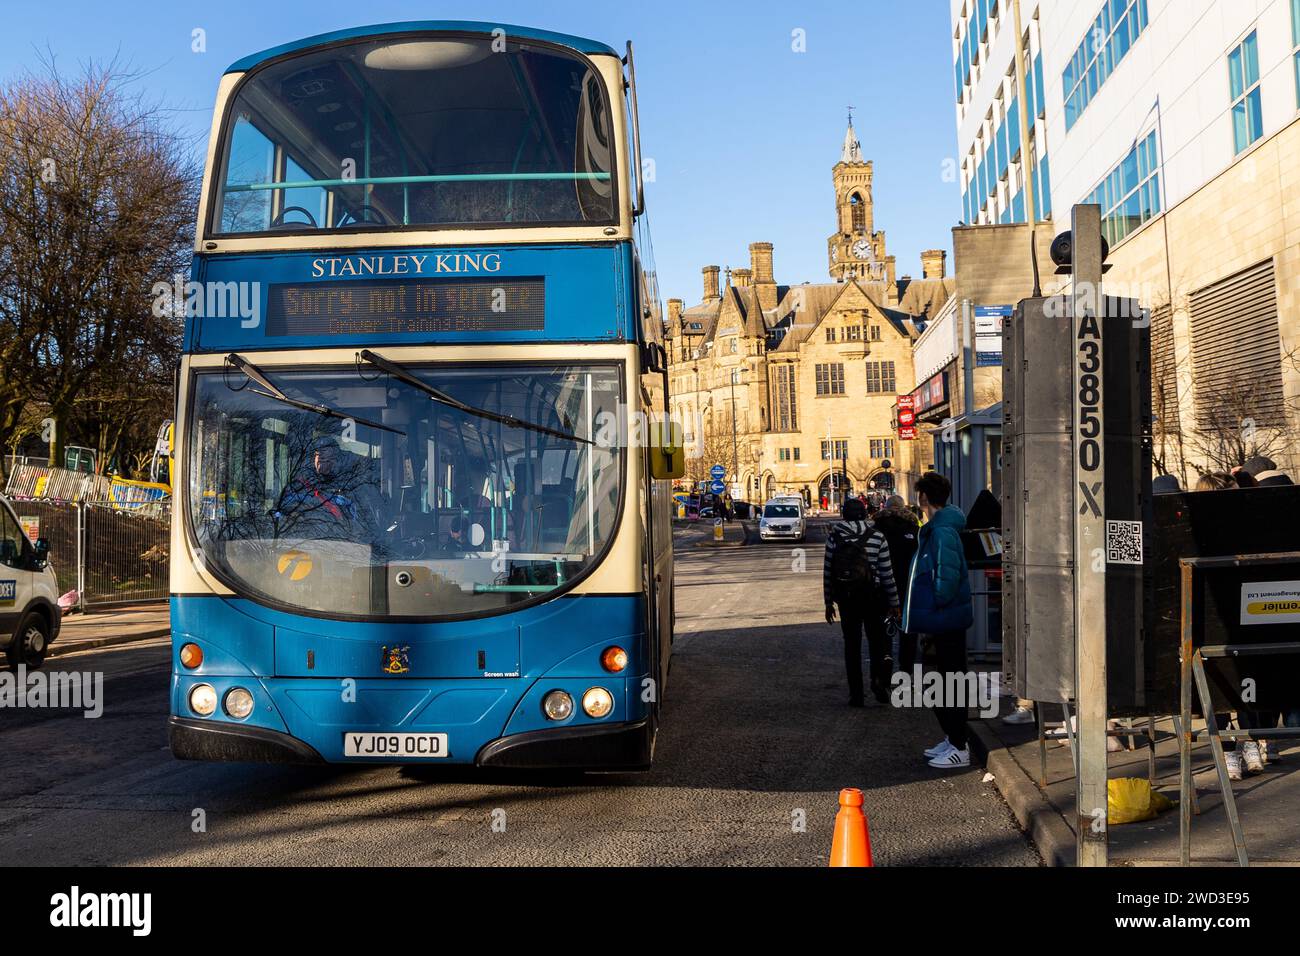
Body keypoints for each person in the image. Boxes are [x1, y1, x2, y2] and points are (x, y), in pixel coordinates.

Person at [903, 471, 976, 769]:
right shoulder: (937, 528)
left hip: (945, 620)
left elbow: (947, 575)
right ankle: (953, 738)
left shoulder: (943, 532)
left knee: (949, 683)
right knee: (942, 681)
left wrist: (935, 604)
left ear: (924, 498)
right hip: (941, 620)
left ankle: (960, 746)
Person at [823, 497, 900, 706]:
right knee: (877, 642)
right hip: (873, 597)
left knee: (852, 646)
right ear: (865, 514)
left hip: (847, 599)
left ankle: (856, 694)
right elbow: (887, 572)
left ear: (844, 514)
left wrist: (828, 601)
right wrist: (894, 602)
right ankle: (878, 681)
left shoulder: (835, 536)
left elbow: (828, 569)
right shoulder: (877, 536)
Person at [874, 494, 920, 674]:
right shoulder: (914, 529)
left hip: (882, 586)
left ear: (885, 507)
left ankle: (886, 657)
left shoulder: (876, 529)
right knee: (908, 630)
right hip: (908, 587)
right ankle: (906, 670)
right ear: (904, 508)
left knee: (882, 627)